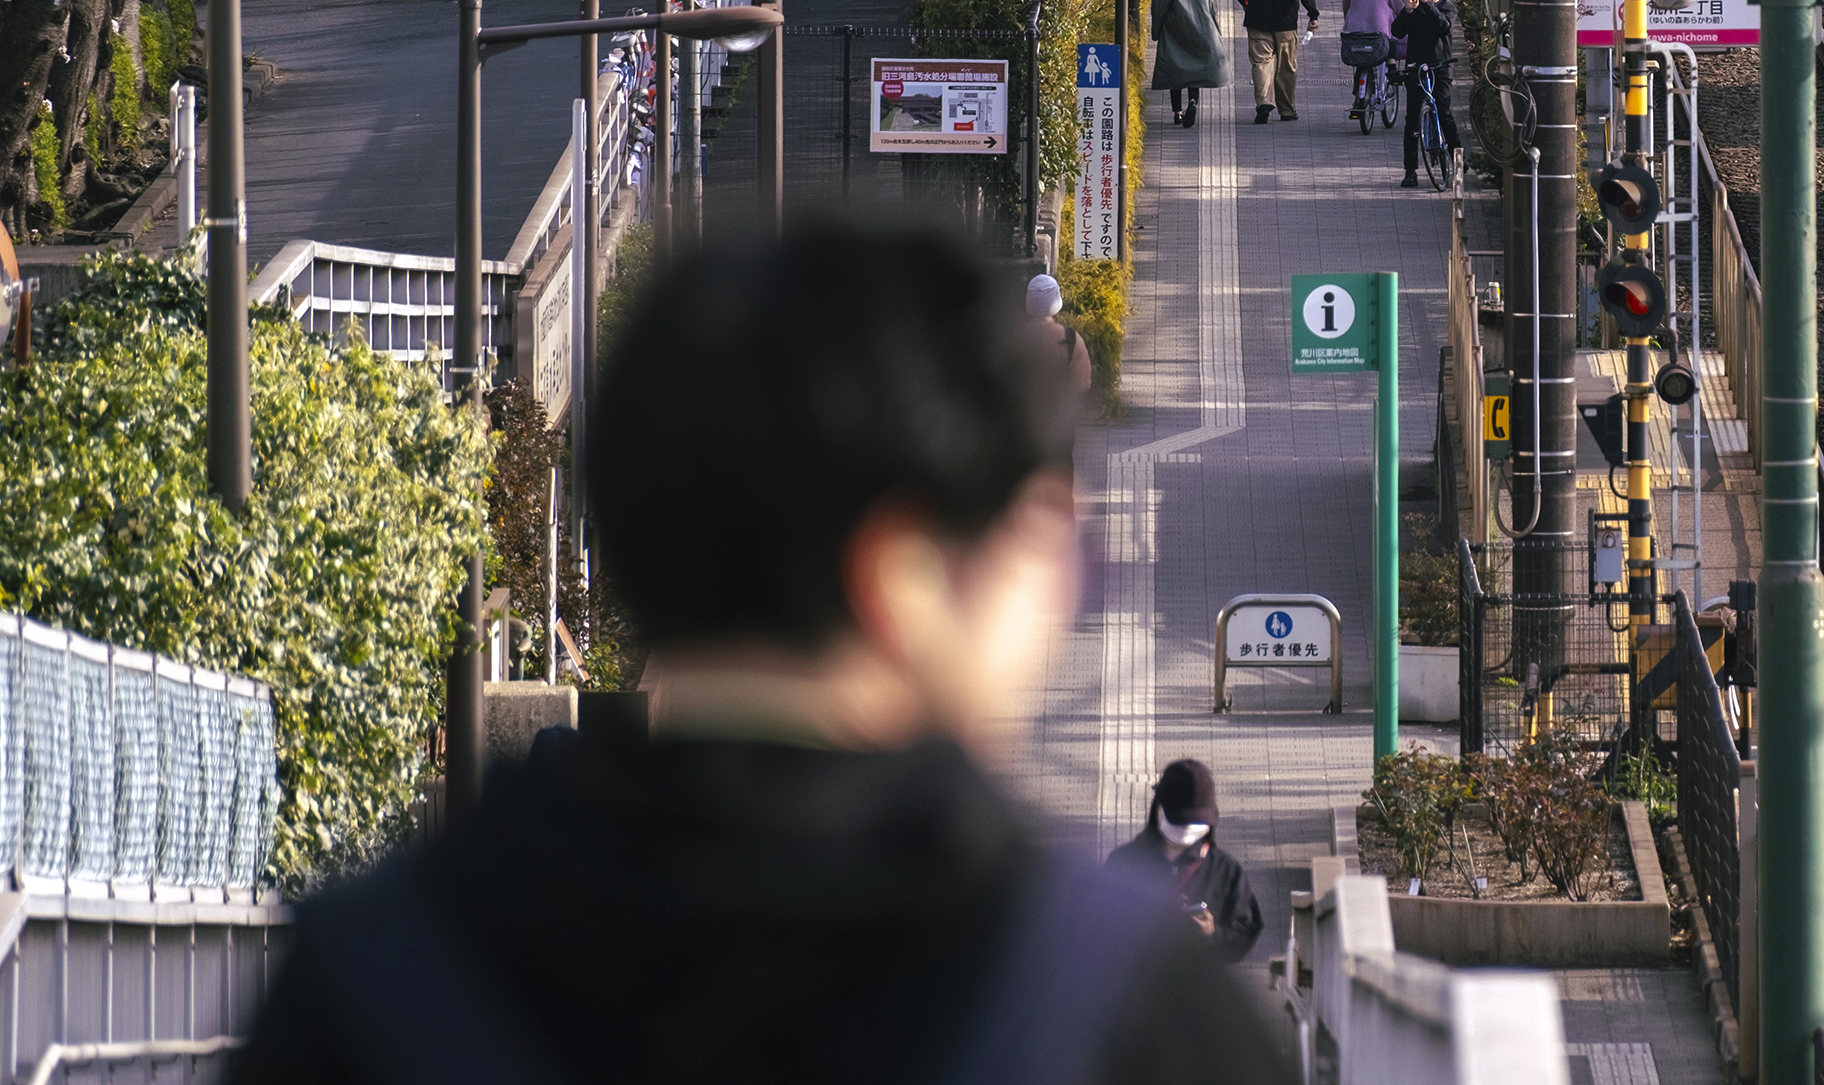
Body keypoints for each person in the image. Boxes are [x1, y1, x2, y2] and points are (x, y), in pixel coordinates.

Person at [235, 225, 1291, 1085]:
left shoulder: (372, 978)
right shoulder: (1114, 1002)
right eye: (1041, 552)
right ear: (902, 577)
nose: (1059, 601)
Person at [1105, 760, 1262, 966]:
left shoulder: (1226, 870)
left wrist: (1212, 934)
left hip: (1197, 992)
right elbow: (1094, 924)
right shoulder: (1124, 862)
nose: (1187, 830)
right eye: (1179, 820)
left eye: (1196, 823)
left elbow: (1245, 931)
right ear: (1158, 810)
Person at [1149, 0, 1226, 129]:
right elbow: (1212, 4)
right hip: (1201, 27)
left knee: (1176, 70)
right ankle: (1193, 101)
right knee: (1195, 67)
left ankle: (1178, 112)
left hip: (1174, 29)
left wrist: (1156, 30)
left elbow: (1158, 5)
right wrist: (1216, 30)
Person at [1391, 0, 1461, 187]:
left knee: (1445, 114)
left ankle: (1460, 163)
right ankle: (1410, 171)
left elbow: (1444, 27)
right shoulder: (1417, 8)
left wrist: (1428, 4)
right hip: (1417, 69)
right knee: (1412, 120)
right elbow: (1397, 31)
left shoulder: (1447, 8)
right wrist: (1408, 9)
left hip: (1440, 68)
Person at [1028, 270, 1097, 398]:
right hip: (1057, 411)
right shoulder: (1071, 339)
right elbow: (1082, 384)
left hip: (1017, 412)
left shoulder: (1015, 338)